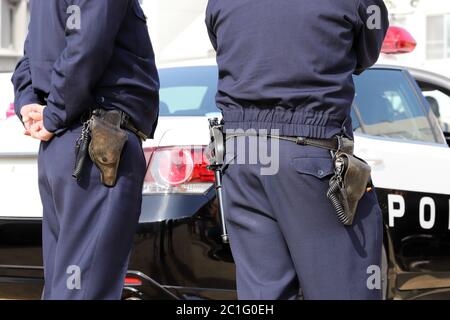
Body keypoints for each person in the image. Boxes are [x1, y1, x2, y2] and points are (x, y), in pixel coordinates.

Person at [205, 0, 389, 299]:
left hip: (241, 153)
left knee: (262, 294)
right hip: (308, 150)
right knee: (343, 286)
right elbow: (367, 53)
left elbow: (222, 42)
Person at [11, 0, 159, 300]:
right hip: (96, 144)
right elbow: (86, 47)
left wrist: (30, 102)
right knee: (85, 288)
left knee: (65, 285)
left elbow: (30, 54)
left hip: (68, 144)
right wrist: (53, 113)